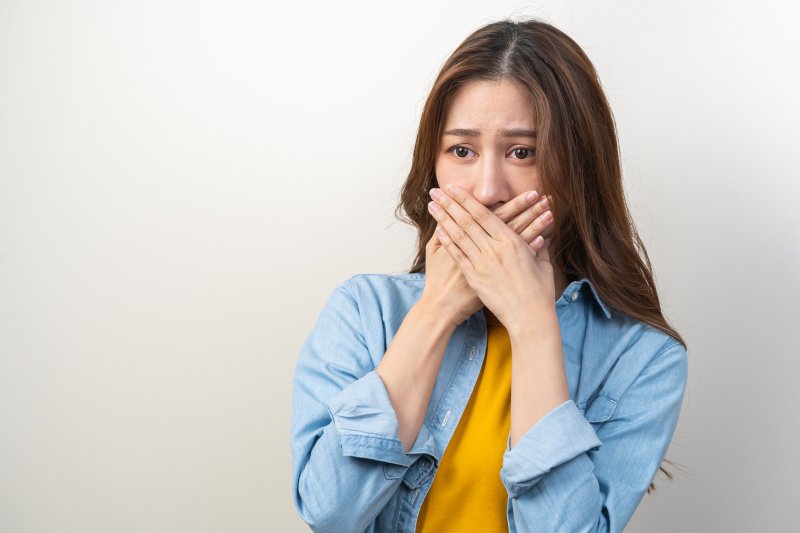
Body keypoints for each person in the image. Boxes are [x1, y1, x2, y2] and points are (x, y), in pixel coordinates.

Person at [290, 18, 688, 533]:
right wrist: (435, 311)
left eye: (523, 152)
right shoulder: (363, 310)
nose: (487, 190)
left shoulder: (644, 358)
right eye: (462, 151)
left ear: (579, 166)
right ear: (431, 165)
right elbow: (330, 513)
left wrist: (532, 322)